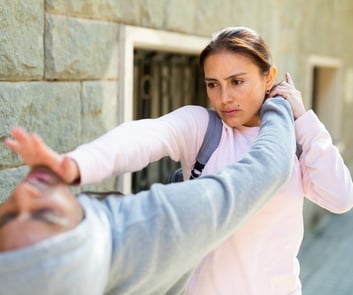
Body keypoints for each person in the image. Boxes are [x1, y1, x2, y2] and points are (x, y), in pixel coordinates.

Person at [6, 26, 353, 294]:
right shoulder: (204, 128)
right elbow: (144, 135)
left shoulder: (291, 139)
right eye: (213, 84)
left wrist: (303, 118)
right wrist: (76, 164)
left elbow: (339, 198)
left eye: (237, 82)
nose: (225, 97)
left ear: (269, 77)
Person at [0, 97, 295, 295]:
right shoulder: (148, 233)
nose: (24, 194)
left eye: (8, 216)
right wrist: (279, 105)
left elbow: (147, 135)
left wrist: (77, 164)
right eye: (45, 215)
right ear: (87, 236)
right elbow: (268, 168)